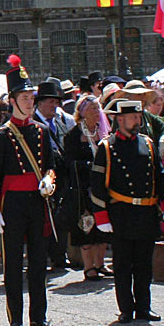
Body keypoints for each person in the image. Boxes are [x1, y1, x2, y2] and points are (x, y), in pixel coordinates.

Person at [0, 55, 59, 326]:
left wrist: (49, 182)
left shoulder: (41, 131)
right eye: (25, 98)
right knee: (14, 265)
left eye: (32, 97)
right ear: (13, 101)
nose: (30, 102)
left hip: (37, 202)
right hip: (12, 204)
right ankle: (16, 318)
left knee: (40, 263)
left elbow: (51, 166)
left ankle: (38, 316)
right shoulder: (1, 135)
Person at [91, 100, 164, 323]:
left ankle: (144, 306)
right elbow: (97, 184)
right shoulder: (107, 147)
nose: (137, 120)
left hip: (146, 213)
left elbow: (160, 176)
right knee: (122, 265)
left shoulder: (147, 144)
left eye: (138, 116)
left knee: (144, 265)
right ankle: (126, 309)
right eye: (132, 117)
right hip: (121, 213)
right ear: (119, 119)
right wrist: (101, 216)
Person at [64, 96, 111, 280]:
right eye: (92, 108)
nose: (96, 111)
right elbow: (68, 162)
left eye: (98, 107)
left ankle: (100, 263)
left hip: (101, 186)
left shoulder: (104, 132)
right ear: (82, 112)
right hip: (82, 188)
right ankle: (88, 266)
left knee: (102, 226)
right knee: (86, 225)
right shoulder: (74, 135)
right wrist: (89, 165)